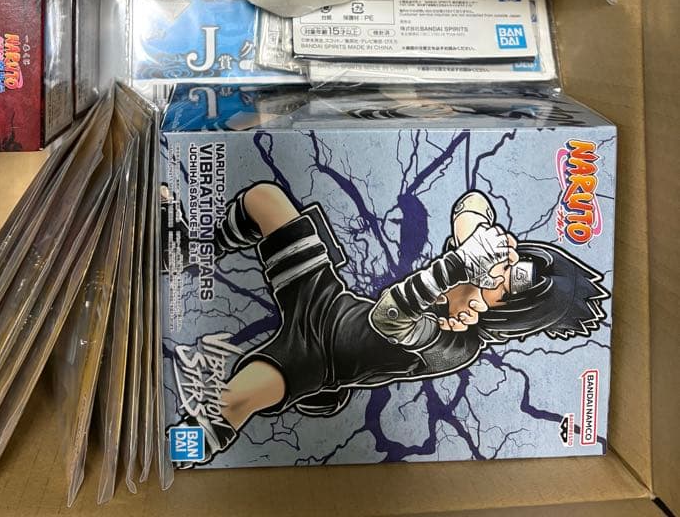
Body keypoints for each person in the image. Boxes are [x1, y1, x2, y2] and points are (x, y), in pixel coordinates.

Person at [168, 185, 610, 463]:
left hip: (316, 359)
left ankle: (170, 453)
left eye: (506, 282)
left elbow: (388, 318)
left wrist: (457, 267)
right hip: (326, 300)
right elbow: (472, 202)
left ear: (507, 311)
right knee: (264, 200)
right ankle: (187, 251)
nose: (498, 268)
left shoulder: (459, 344)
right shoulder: (469, 276)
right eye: (510, 260)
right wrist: (476, 236)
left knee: (234, 400)